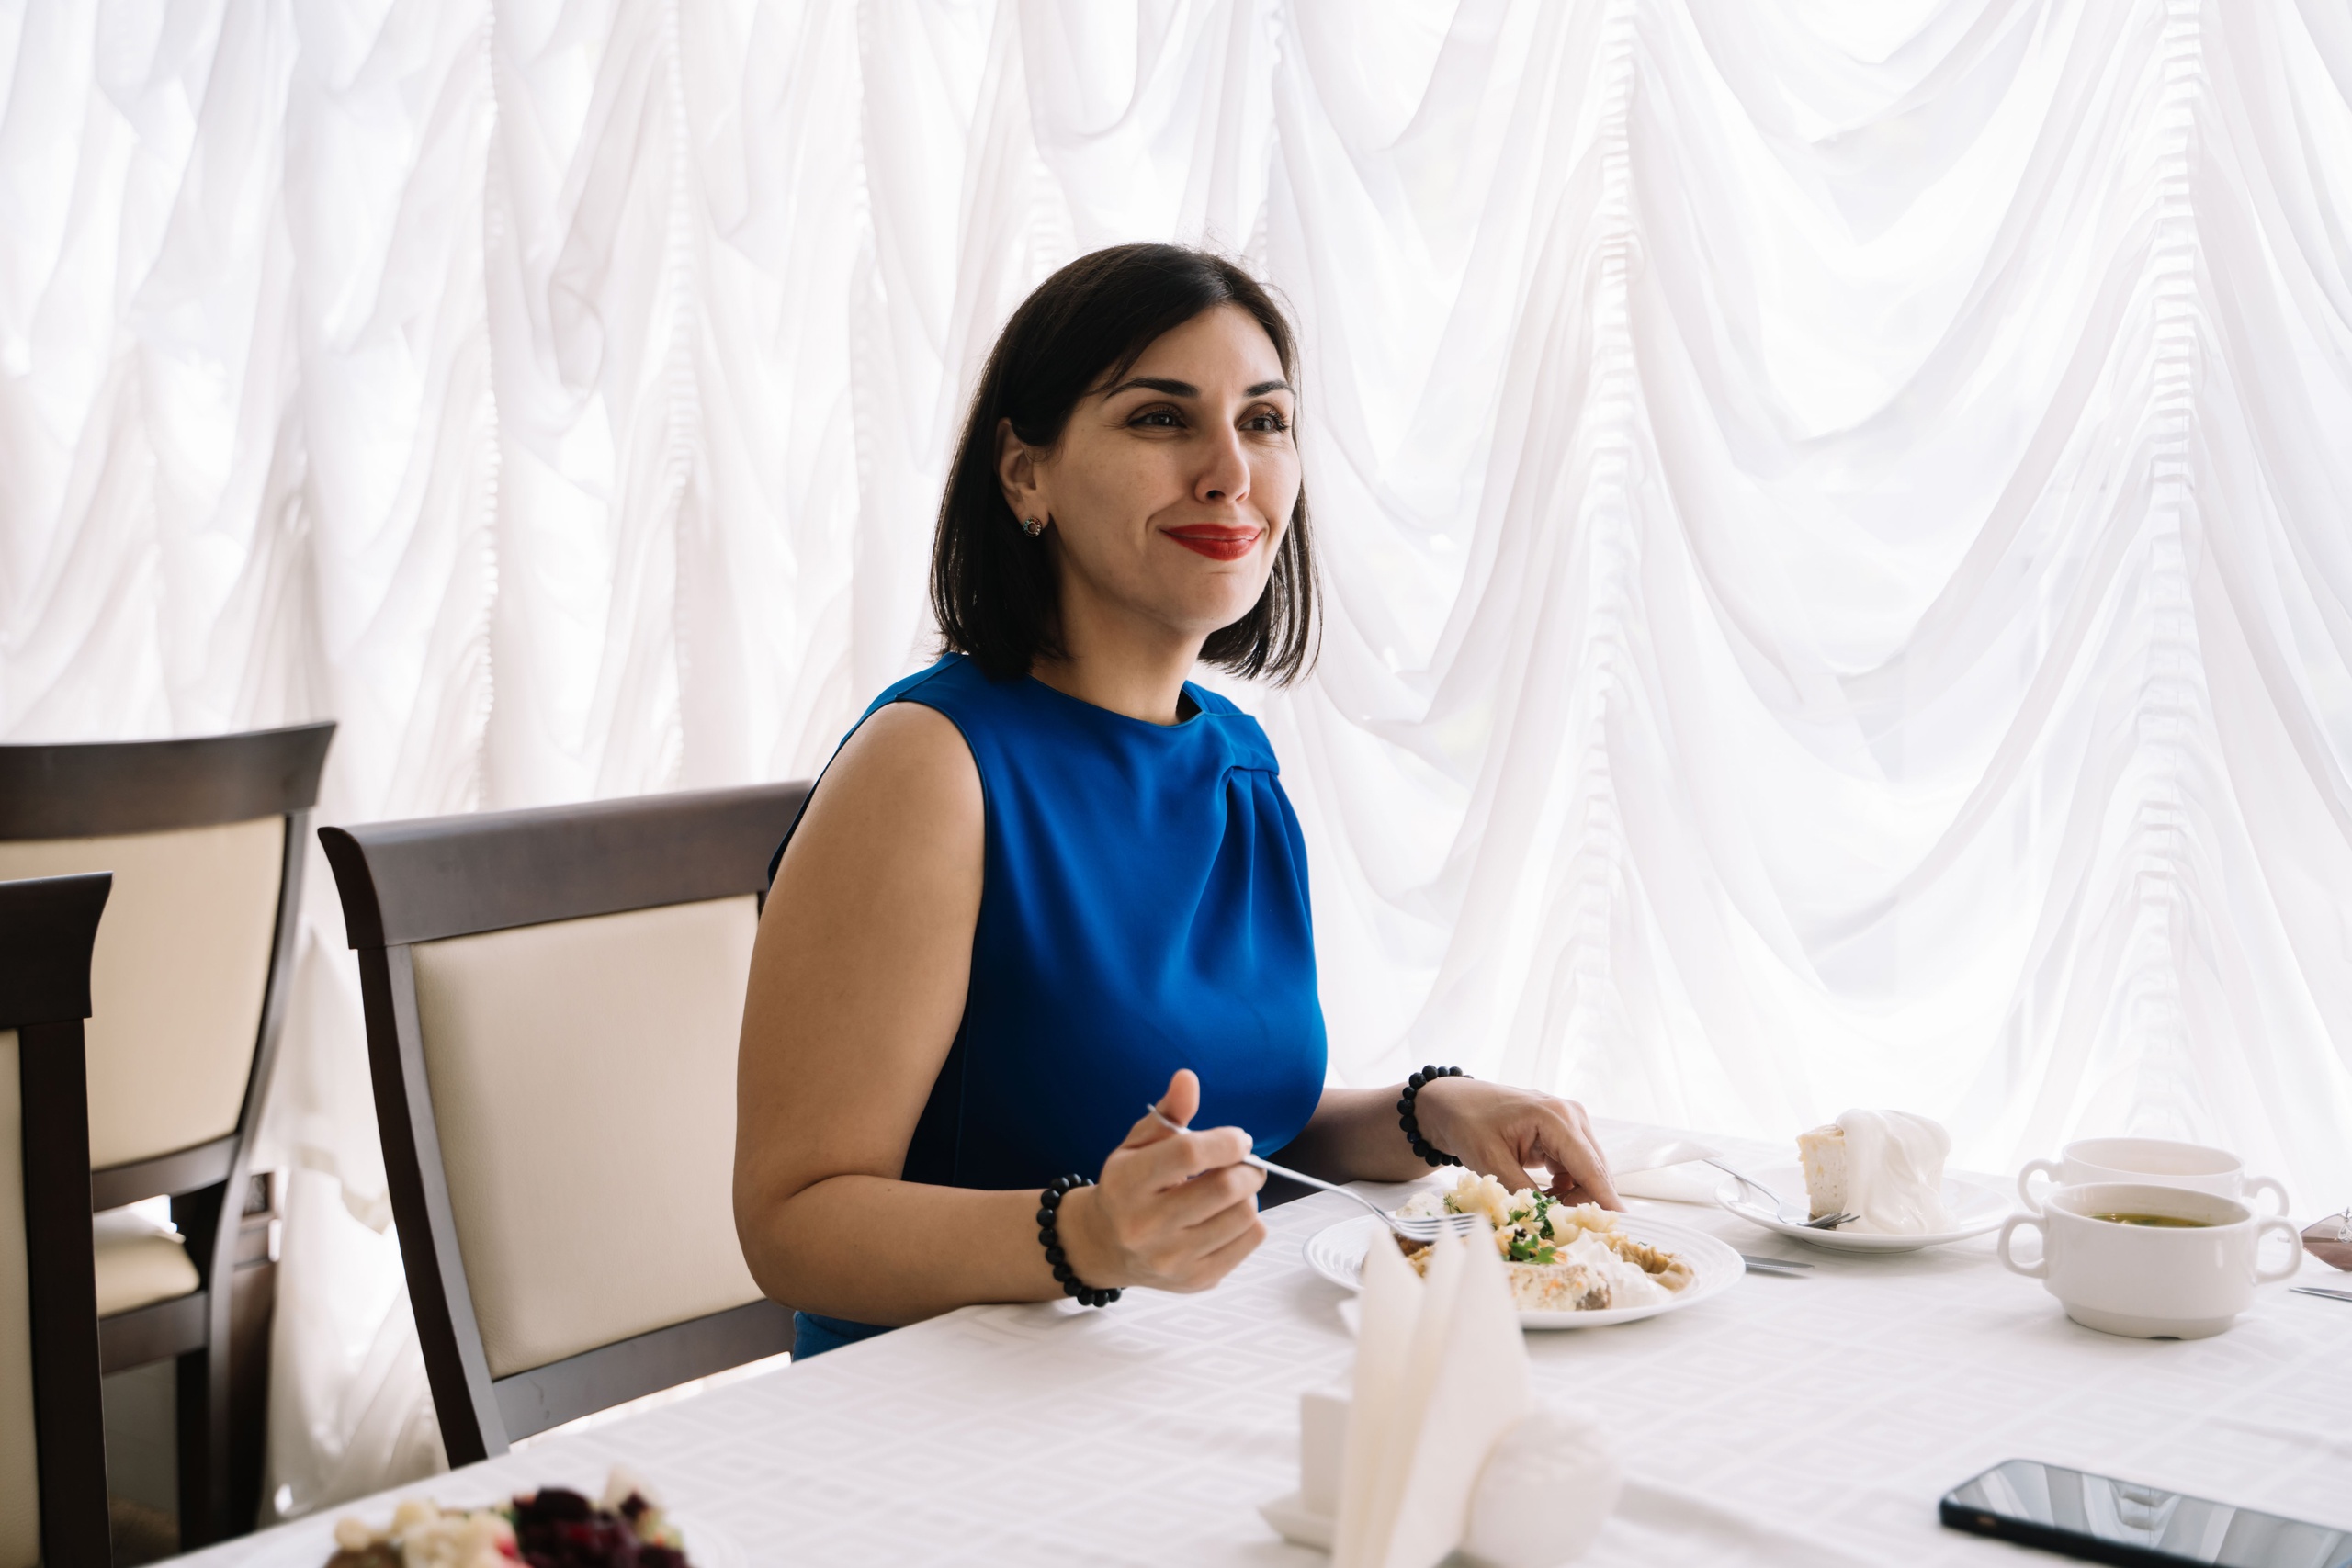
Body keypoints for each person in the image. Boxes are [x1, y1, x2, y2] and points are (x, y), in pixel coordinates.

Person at [734, 243, 1621, 1360]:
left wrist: (1427, 1110)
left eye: (1264, 421)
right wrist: (1088, 1237)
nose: (1228, 471)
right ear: (1024, 474)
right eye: (1161, 419)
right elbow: (792, 1224)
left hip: (1166, 1373)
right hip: (935, 1405)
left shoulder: (1238, 759)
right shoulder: (929, 765)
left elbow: (1236, 1126)